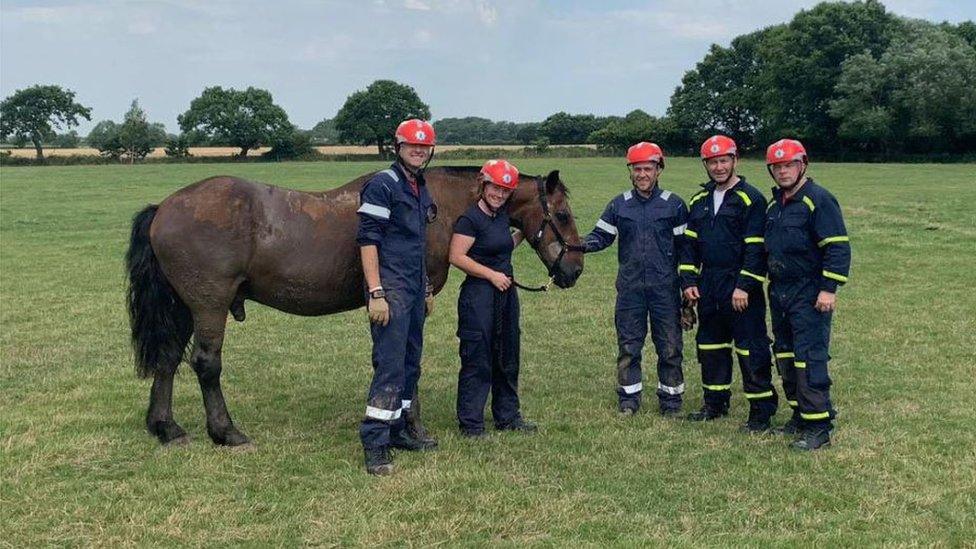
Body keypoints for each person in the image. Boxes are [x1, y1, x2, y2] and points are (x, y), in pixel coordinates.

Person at [356, 118, 439, 475]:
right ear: (398, 147)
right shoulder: (382, 185)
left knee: (410, 363)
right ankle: (375, 444)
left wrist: (427, 287)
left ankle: (400, 430)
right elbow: (368, 241)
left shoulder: (420, 186)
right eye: (411, 146)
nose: (418, 151)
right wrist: (376, 293)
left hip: (413, 287)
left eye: (423, 147)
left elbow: (417, 243)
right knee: (389, 366)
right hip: (389, 288)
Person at [583, 142, 689, 416]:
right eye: (637, 169)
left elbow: (686, 249)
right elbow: (600, 237)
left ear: (658, 170)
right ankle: (629, 400)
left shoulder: (674, 205)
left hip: (666, 289)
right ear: (630, 172)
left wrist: (689, 286)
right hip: (630, 290)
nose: (642, 174)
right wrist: (576, 244)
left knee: (669, 347)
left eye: (648, 168)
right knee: (629, 346)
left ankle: (671, 401)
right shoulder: (620, 204)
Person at [680, 135, 778, 432]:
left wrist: (744, 285)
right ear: (706, 164)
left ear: (735, 161)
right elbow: (689, 246)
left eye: (724, 160)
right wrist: (688, 280)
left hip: (738, 286)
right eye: (713, 162)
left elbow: (756, 248)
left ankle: (761, 412)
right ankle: (715, 403)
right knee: (710, 346)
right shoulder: (698, 201)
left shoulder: (751, 198)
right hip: (708, 285)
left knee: (751, 349)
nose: (719, 167)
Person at [764, 138, 851, 450]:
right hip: (780, 292)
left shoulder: (819, 199)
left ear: (802, 165)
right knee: (785, 356)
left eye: (789, 165)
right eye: (777, 167)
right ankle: (799, 415)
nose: (783, 171)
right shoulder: (775, 206)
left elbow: (838, 247)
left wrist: (829, 289)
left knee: (809, 358)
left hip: (810, 293)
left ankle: (819, 427)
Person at [449, 159, 537, 437]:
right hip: (479, 296)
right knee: (478, 357)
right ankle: (471, 423)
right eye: (495, 188)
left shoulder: (501, 216)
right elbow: (457, 257)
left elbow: (502, 244)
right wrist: (490, 275)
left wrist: (524, 232)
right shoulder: (469, 219)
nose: (499, 195)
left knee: (508, 355)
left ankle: (508, 416)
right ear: (483, 185)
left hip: (505, 294)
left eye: (505, 191)